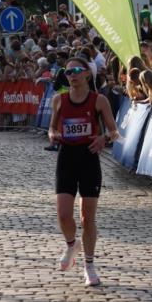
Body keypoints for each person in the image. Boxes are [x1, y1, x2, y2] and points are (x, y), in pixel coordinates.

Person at [48, 56, 120, 288]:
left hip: (89, 158)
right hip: (67, 158)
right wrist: (53, 134)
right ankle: (72, 245)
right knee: (63, 214)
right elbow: (51, 127)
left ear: (87, 74)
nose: (72, 75)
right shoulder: (59, 100)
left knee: (87, 218)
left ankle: (89, 266)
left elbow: (114, 132)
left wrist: (103, 138)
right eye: (67, 72)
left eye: (77, 70)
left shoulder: (99, 100)